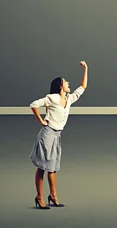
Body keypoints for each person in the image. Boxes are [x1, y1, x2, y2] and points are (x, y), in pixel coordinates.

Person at [29, 61, 88, 209]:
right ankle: (39, 197)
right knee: (42, 166)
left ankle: (53, 196)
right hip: (47, 134)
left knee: (53, 167)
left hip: (57, 136)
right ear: (60, 86)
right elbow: (34, 104)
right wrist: (41, 120)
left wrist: (85, 69)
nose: (68, 83)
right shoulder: (53, 98)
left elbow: (83, 87)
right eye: (65, 82)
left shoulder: (68, 99)